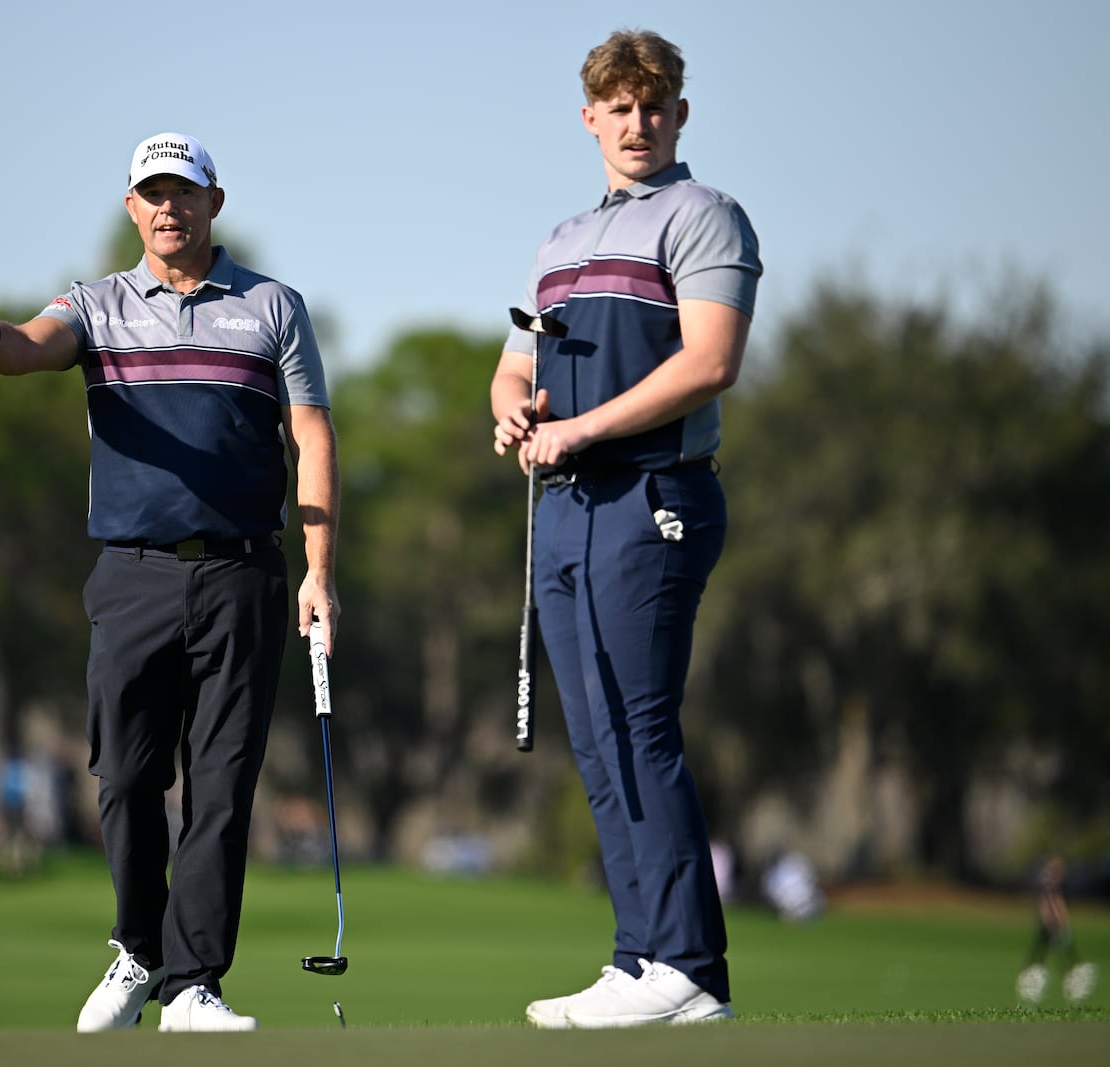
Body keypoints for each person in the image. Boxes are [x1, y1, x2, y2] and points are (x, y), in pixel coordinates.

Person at [0, 132, 340, 1033]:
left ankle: (195, 983)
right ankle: (140, 949)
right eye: (152, 194)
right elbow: (32, 348)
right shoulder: (98, 304)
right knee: (125, 778)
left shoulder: (273, 308)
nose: (168, 208)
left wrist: (319, 573)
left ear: (213, 203)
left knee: (222, 785)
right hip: (132, 577)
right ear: (131, 209)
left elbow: (310, 435)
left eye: (183, 193)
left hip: (243, 573)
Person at [490, 30, 761, 1029]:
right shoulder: (559, 239)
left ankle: (689, 960)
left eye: (653, 105)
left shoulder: (705, 216)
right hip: (563, 507)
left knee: (640, 727)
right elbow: (514, 361)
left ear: (678, 114)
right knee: (598, 739)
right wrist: (511, 405)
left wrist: (579, 429)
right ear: (589, 116)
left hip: (652, 495)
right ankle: (639, 954)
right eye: (618, 105)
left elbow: (709, 362)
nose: (636, 123)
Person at [1016, 855, 1097, 1004]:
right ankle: (1068, 978)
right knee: (1052, 954)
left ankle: (1068, 978)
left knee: (1048, 954)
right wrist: (1057, 921)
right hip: (1052, 925)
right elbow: (1051, 905)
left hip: (1051, 924)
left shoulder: (1052, 884)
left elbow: (1053, 905)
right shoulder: (1051, 885)